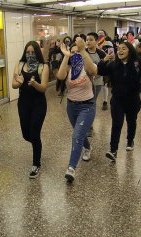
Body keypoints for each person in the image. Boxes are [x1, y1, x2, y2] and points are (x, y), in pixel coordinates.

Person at [97, 41, 141, 161]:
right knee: (116, 123)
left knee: (131, 121)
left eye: (124, 49)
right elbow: (100, 71)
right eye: (119, 49)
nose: (120, 51)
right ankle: (113, 150)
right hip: (117, 99)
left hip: (133, 99)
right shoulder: (113, 64)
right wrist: (104, 60)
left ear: (130, 51)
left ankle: (130, 140)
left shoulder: (137, 63)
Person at [56, 38, 97, 182]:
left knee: (76, 135)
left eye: (76, 52)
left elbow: (94, 70)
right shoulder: (69, 68)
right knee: (79, 134)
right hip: (71, 106)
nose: (75, 55)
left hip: (87, 106)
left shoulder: (87, 66)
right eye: (72, 53)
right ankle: (88, 147)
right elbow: (60, 76)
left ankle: (71, 168)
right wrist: (66, 55)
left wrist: (82, 50)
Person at [12, 41, 49, 178]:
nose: (30, 54)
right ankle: (37, 146)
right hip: (23, 103)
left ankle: (36, 164)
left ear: (37, 53)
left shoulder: (43, 66)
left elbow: (44, 88)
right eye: (28, 52)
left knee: (34, 132)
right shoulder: (20, 65)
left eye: (33, 52)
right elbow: (14, 85)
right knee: (26, 134)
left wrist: (34, 83)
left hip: (38, 104)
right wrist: (19, 83)